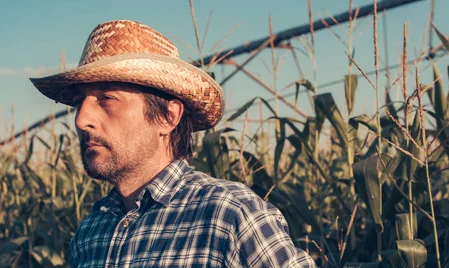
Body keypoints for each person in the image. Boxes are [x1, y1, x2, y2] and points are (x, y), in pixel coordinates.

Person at [29, 20, 317, 267]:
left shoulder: (230, 216)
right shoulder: (90, 232)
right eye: (80, 102)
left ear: (168, 116)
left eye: (107, 99)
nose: (81, 120)